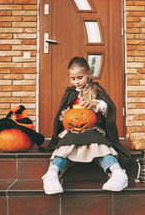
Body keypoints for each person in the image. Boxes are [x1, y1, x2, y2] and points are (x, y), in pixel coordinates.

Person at [42, 57, 131, 194]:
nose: (76, 81)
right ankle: (52, 174)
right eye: (73, 79)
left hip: (93, 129)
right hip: (73, 130)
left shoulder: (96, 89)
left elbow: (108, 107)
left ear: (89, 74)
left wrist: (96, 104)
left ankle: (117, 173)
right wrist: (66, 114)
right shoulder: (70, 93)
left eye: (80, 77)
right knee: (65, 145)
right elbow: (63, 115)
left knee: (99, 145)